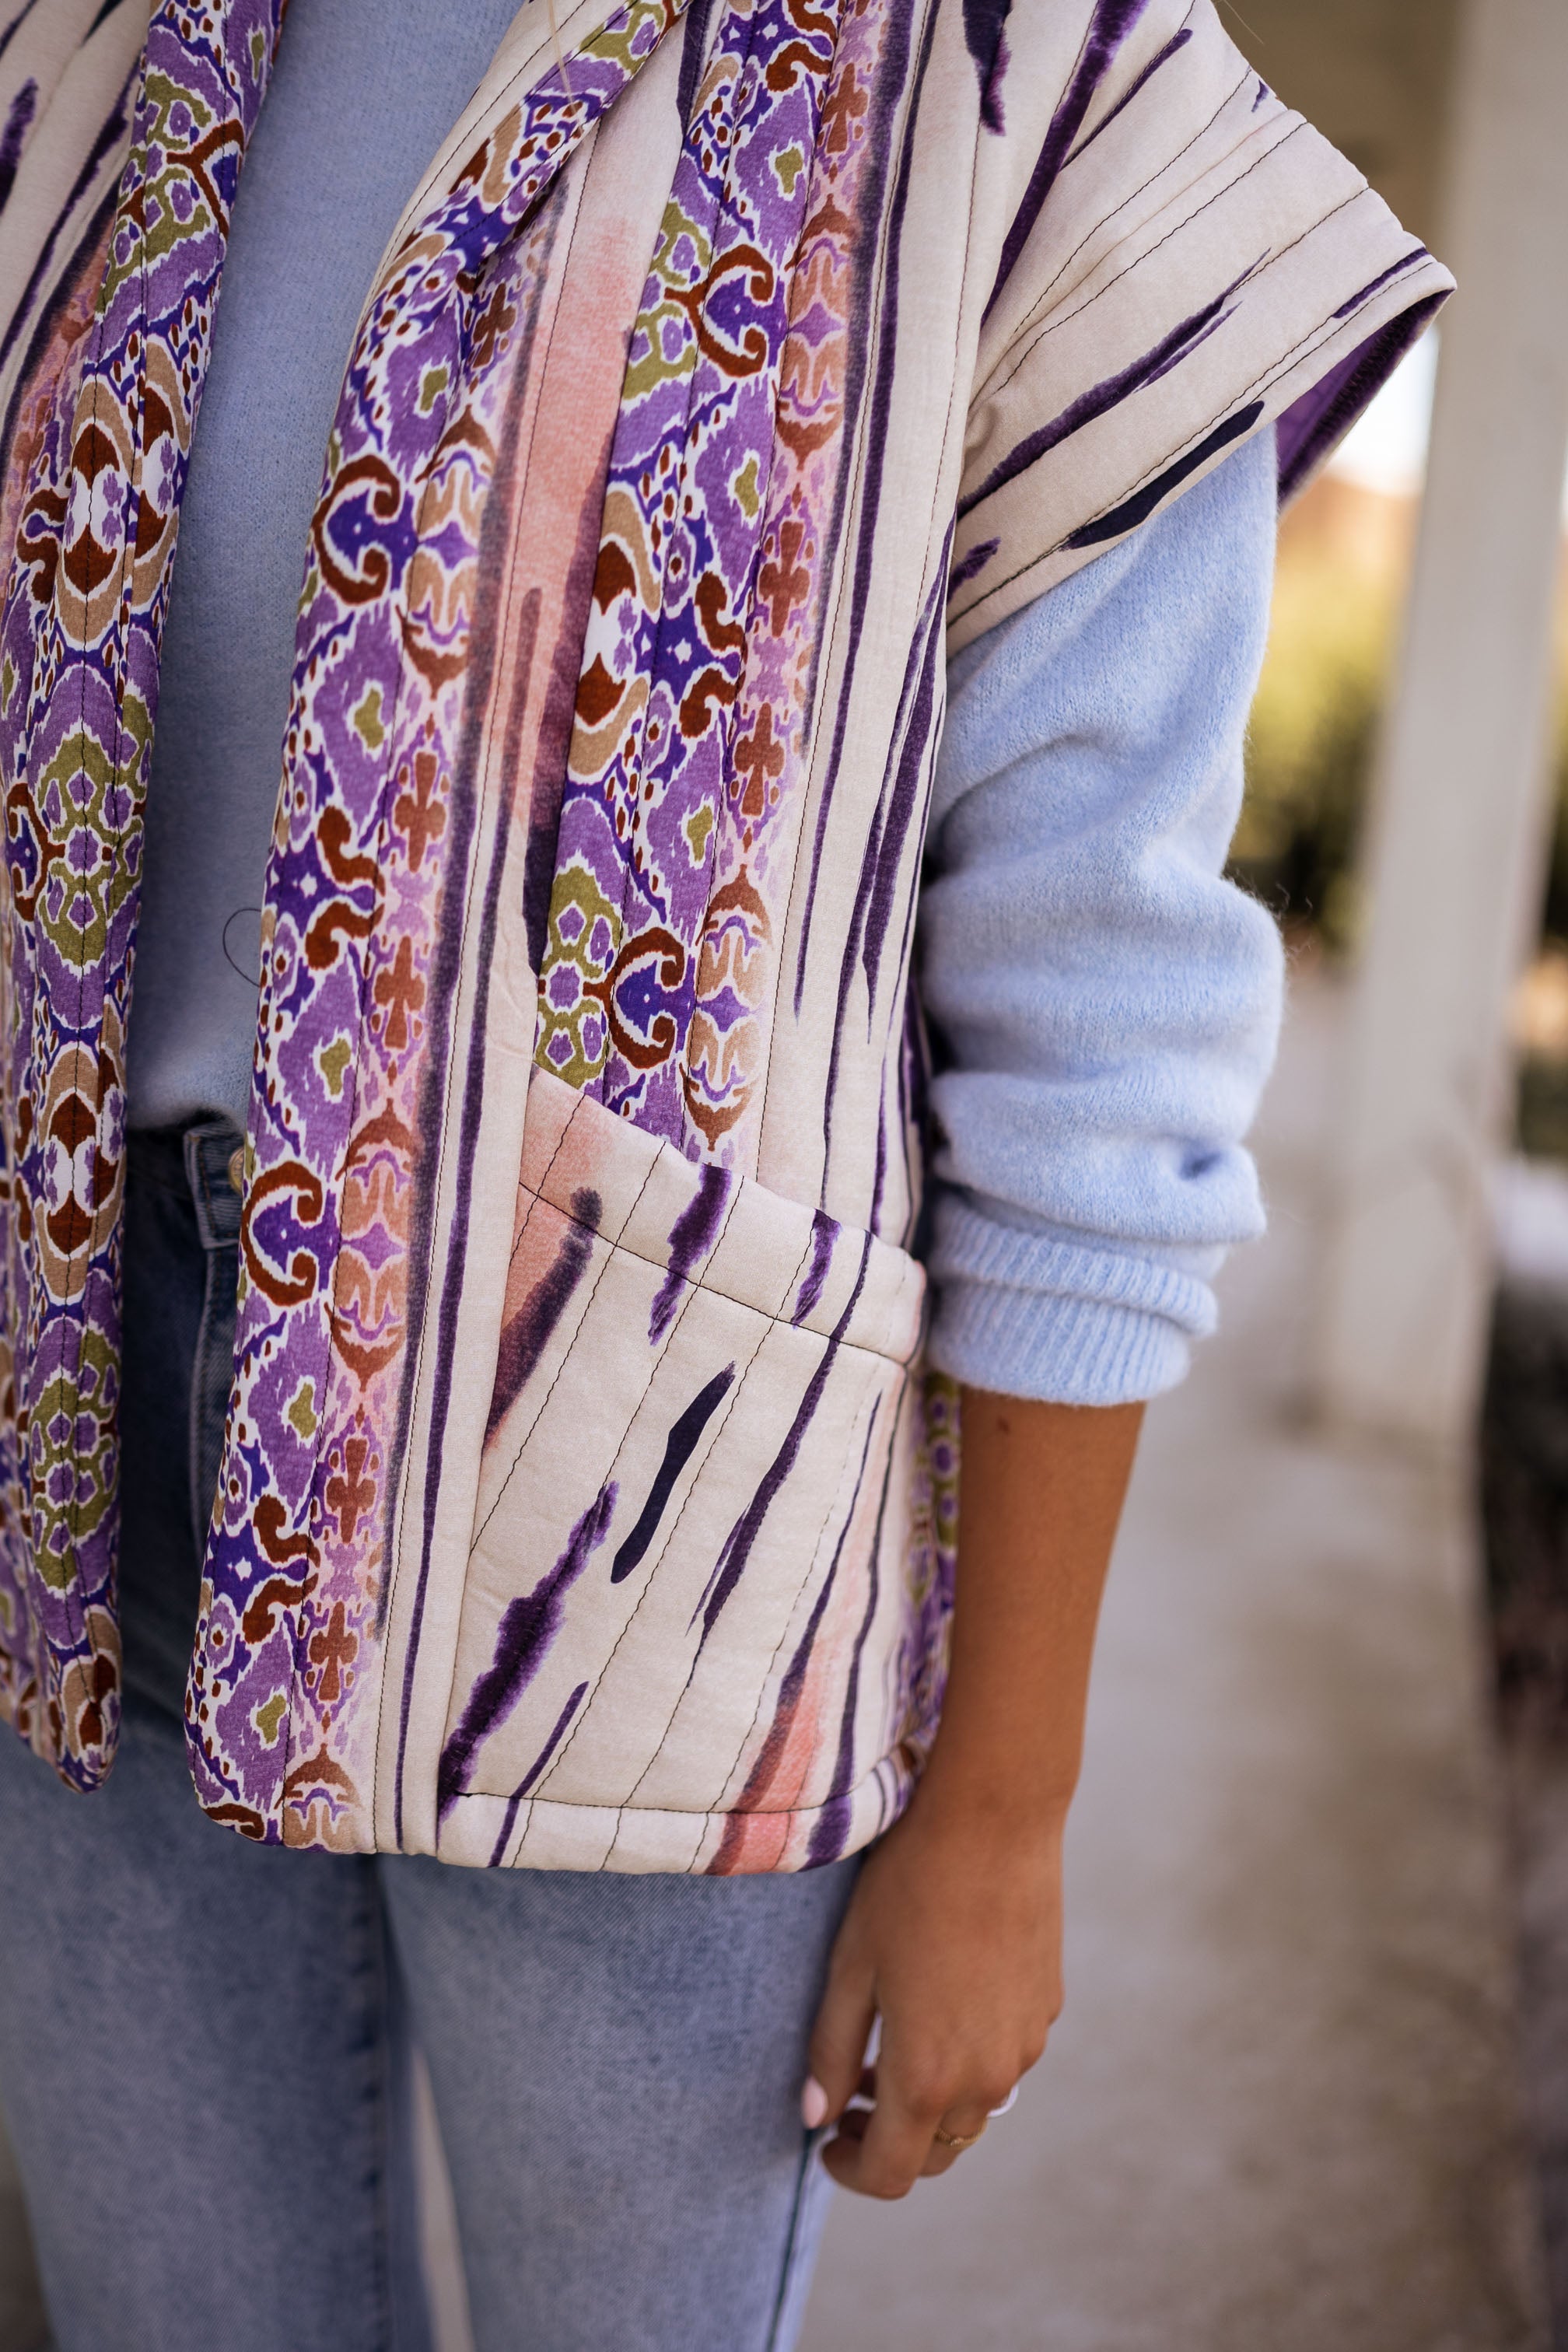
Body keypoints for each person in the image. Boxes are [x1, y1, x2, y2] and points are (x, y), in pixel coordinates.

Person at [0, 2, 1449, 2347]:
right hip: (70, 1463)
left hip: (644, 1546)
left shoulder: (1025, 75)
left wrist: (1004, 1809)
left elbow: (1101, 1012)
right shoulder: (94, 41)